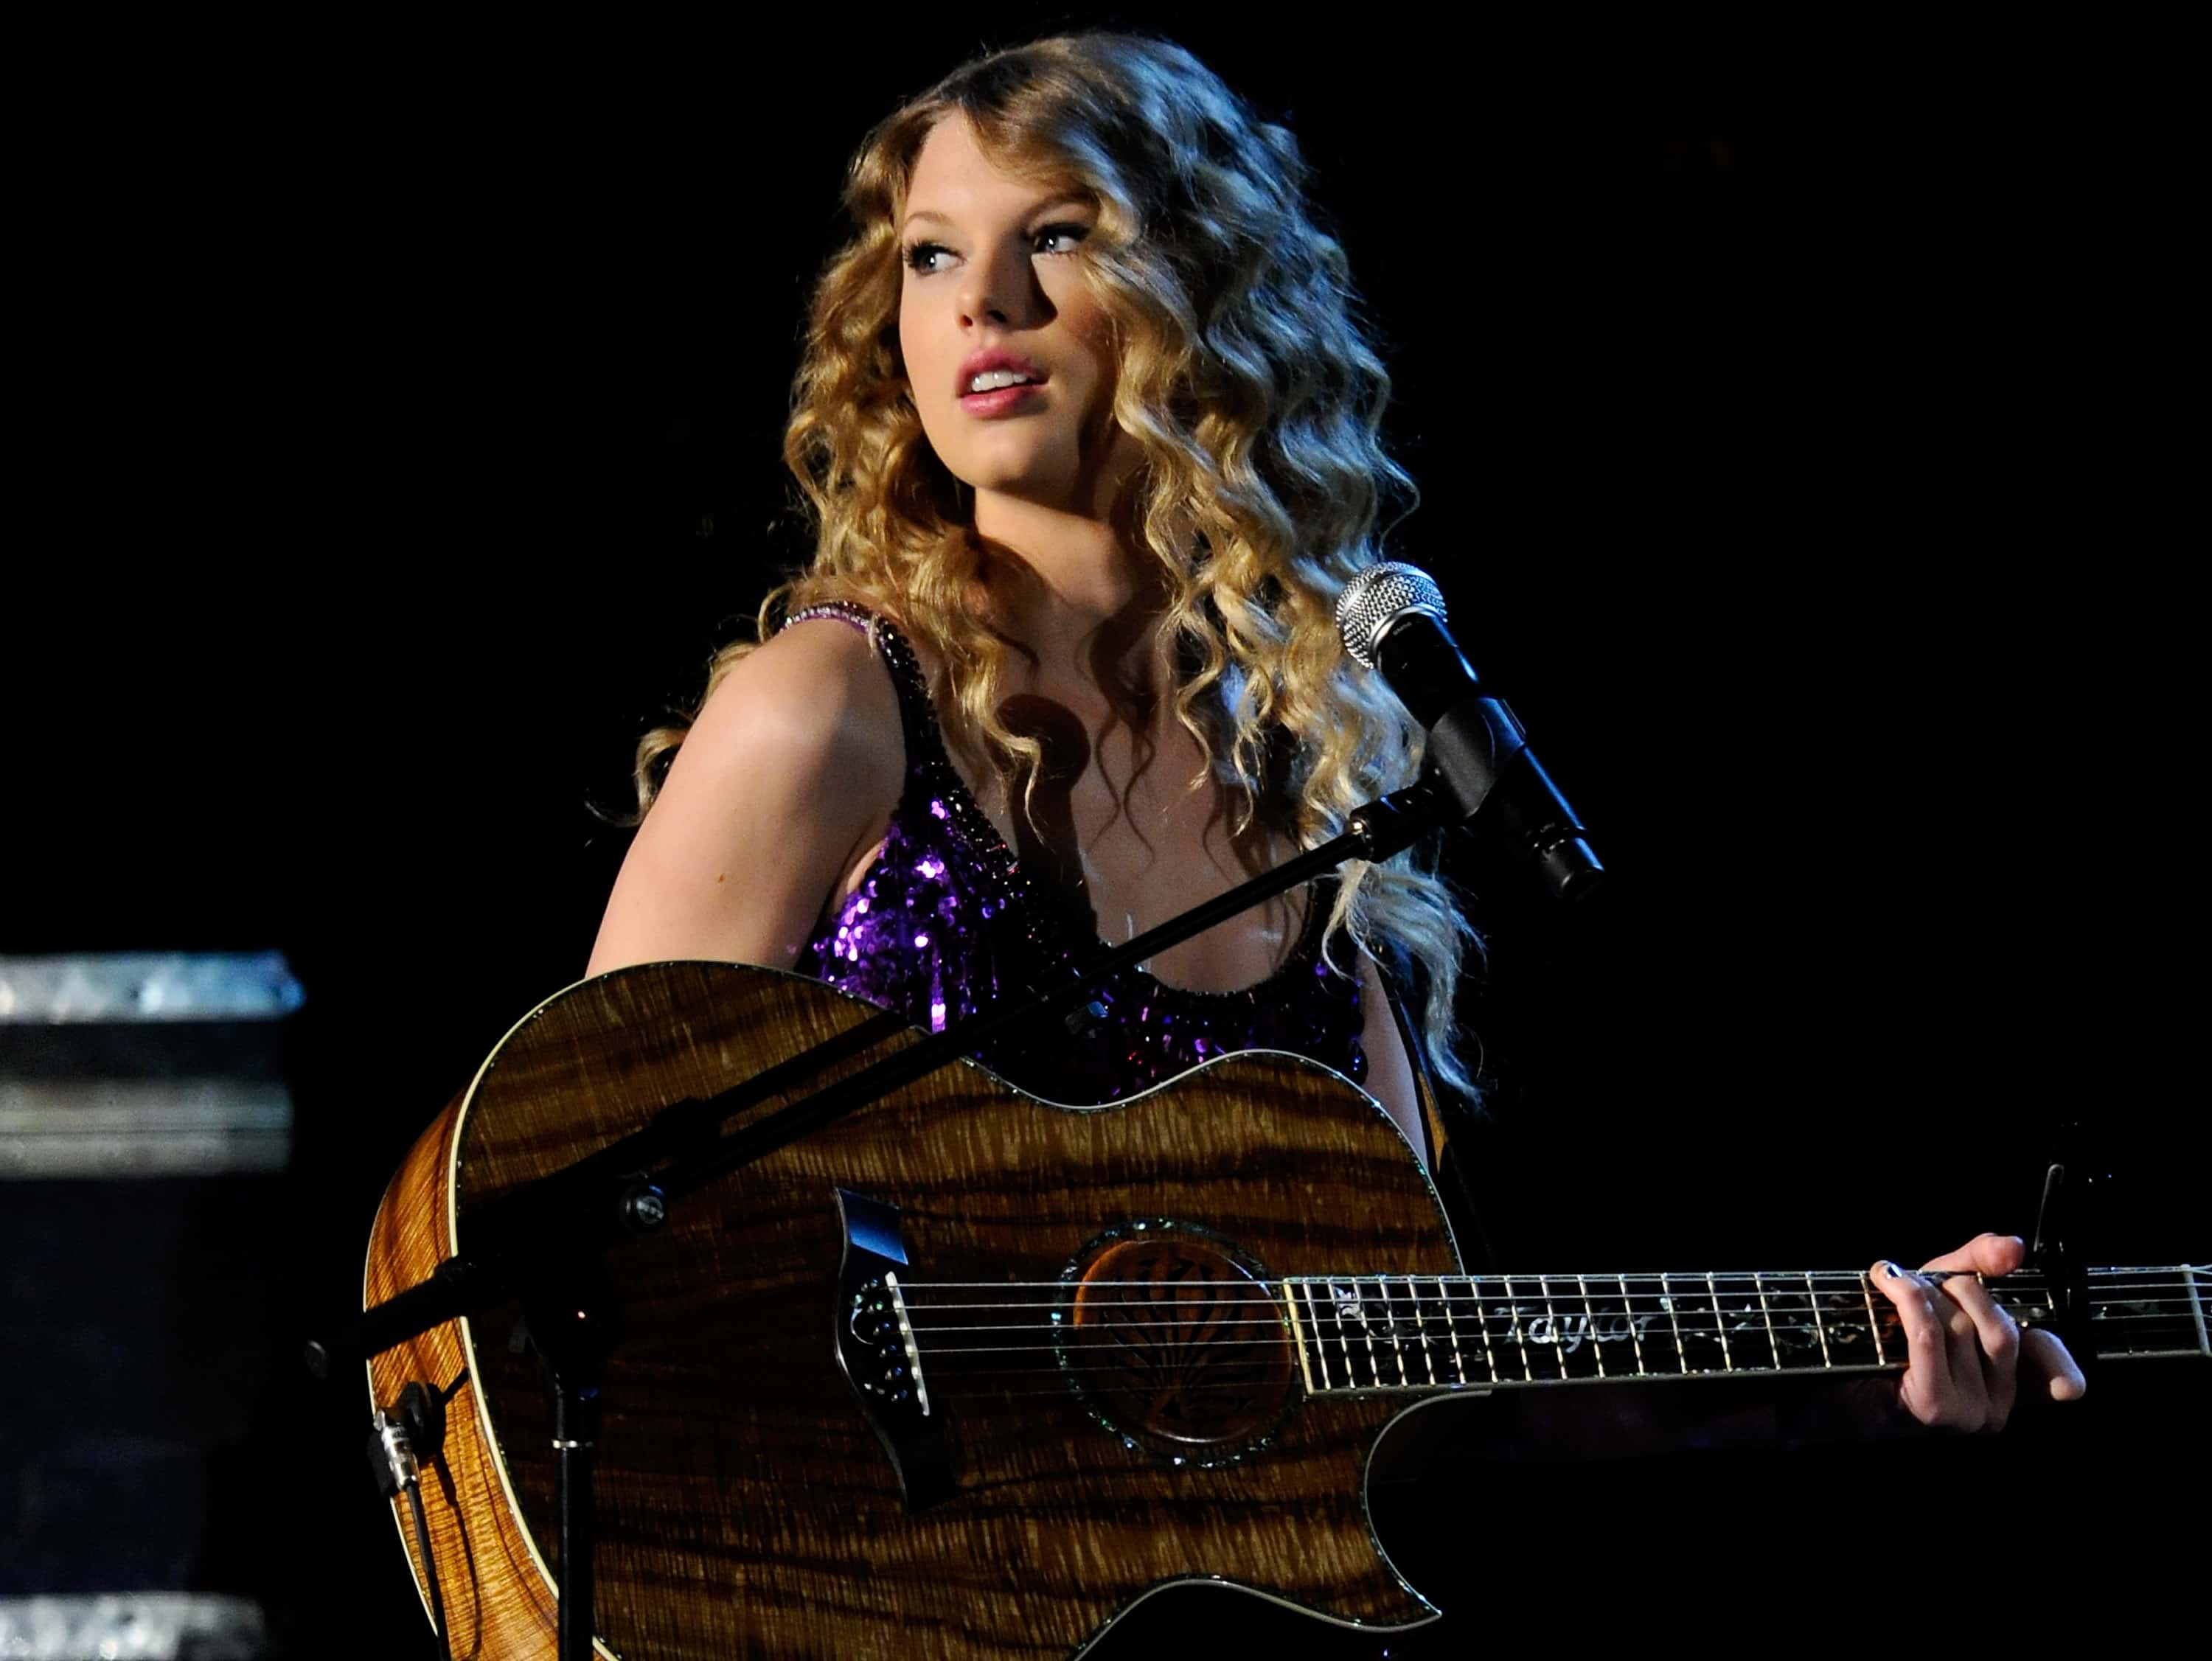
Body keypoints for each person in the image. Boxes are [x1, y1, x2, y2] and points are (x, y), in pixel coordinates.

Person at [586, 26, 2078, 1487]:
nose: (984, 300)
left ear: (1203, 290)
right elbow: (564, 1208)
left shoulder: (1310, 775)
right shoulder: (837, 703)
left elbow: (1430, 1394)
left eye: (1058, 234)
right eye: (929, 252)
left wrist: (1852, 1378)